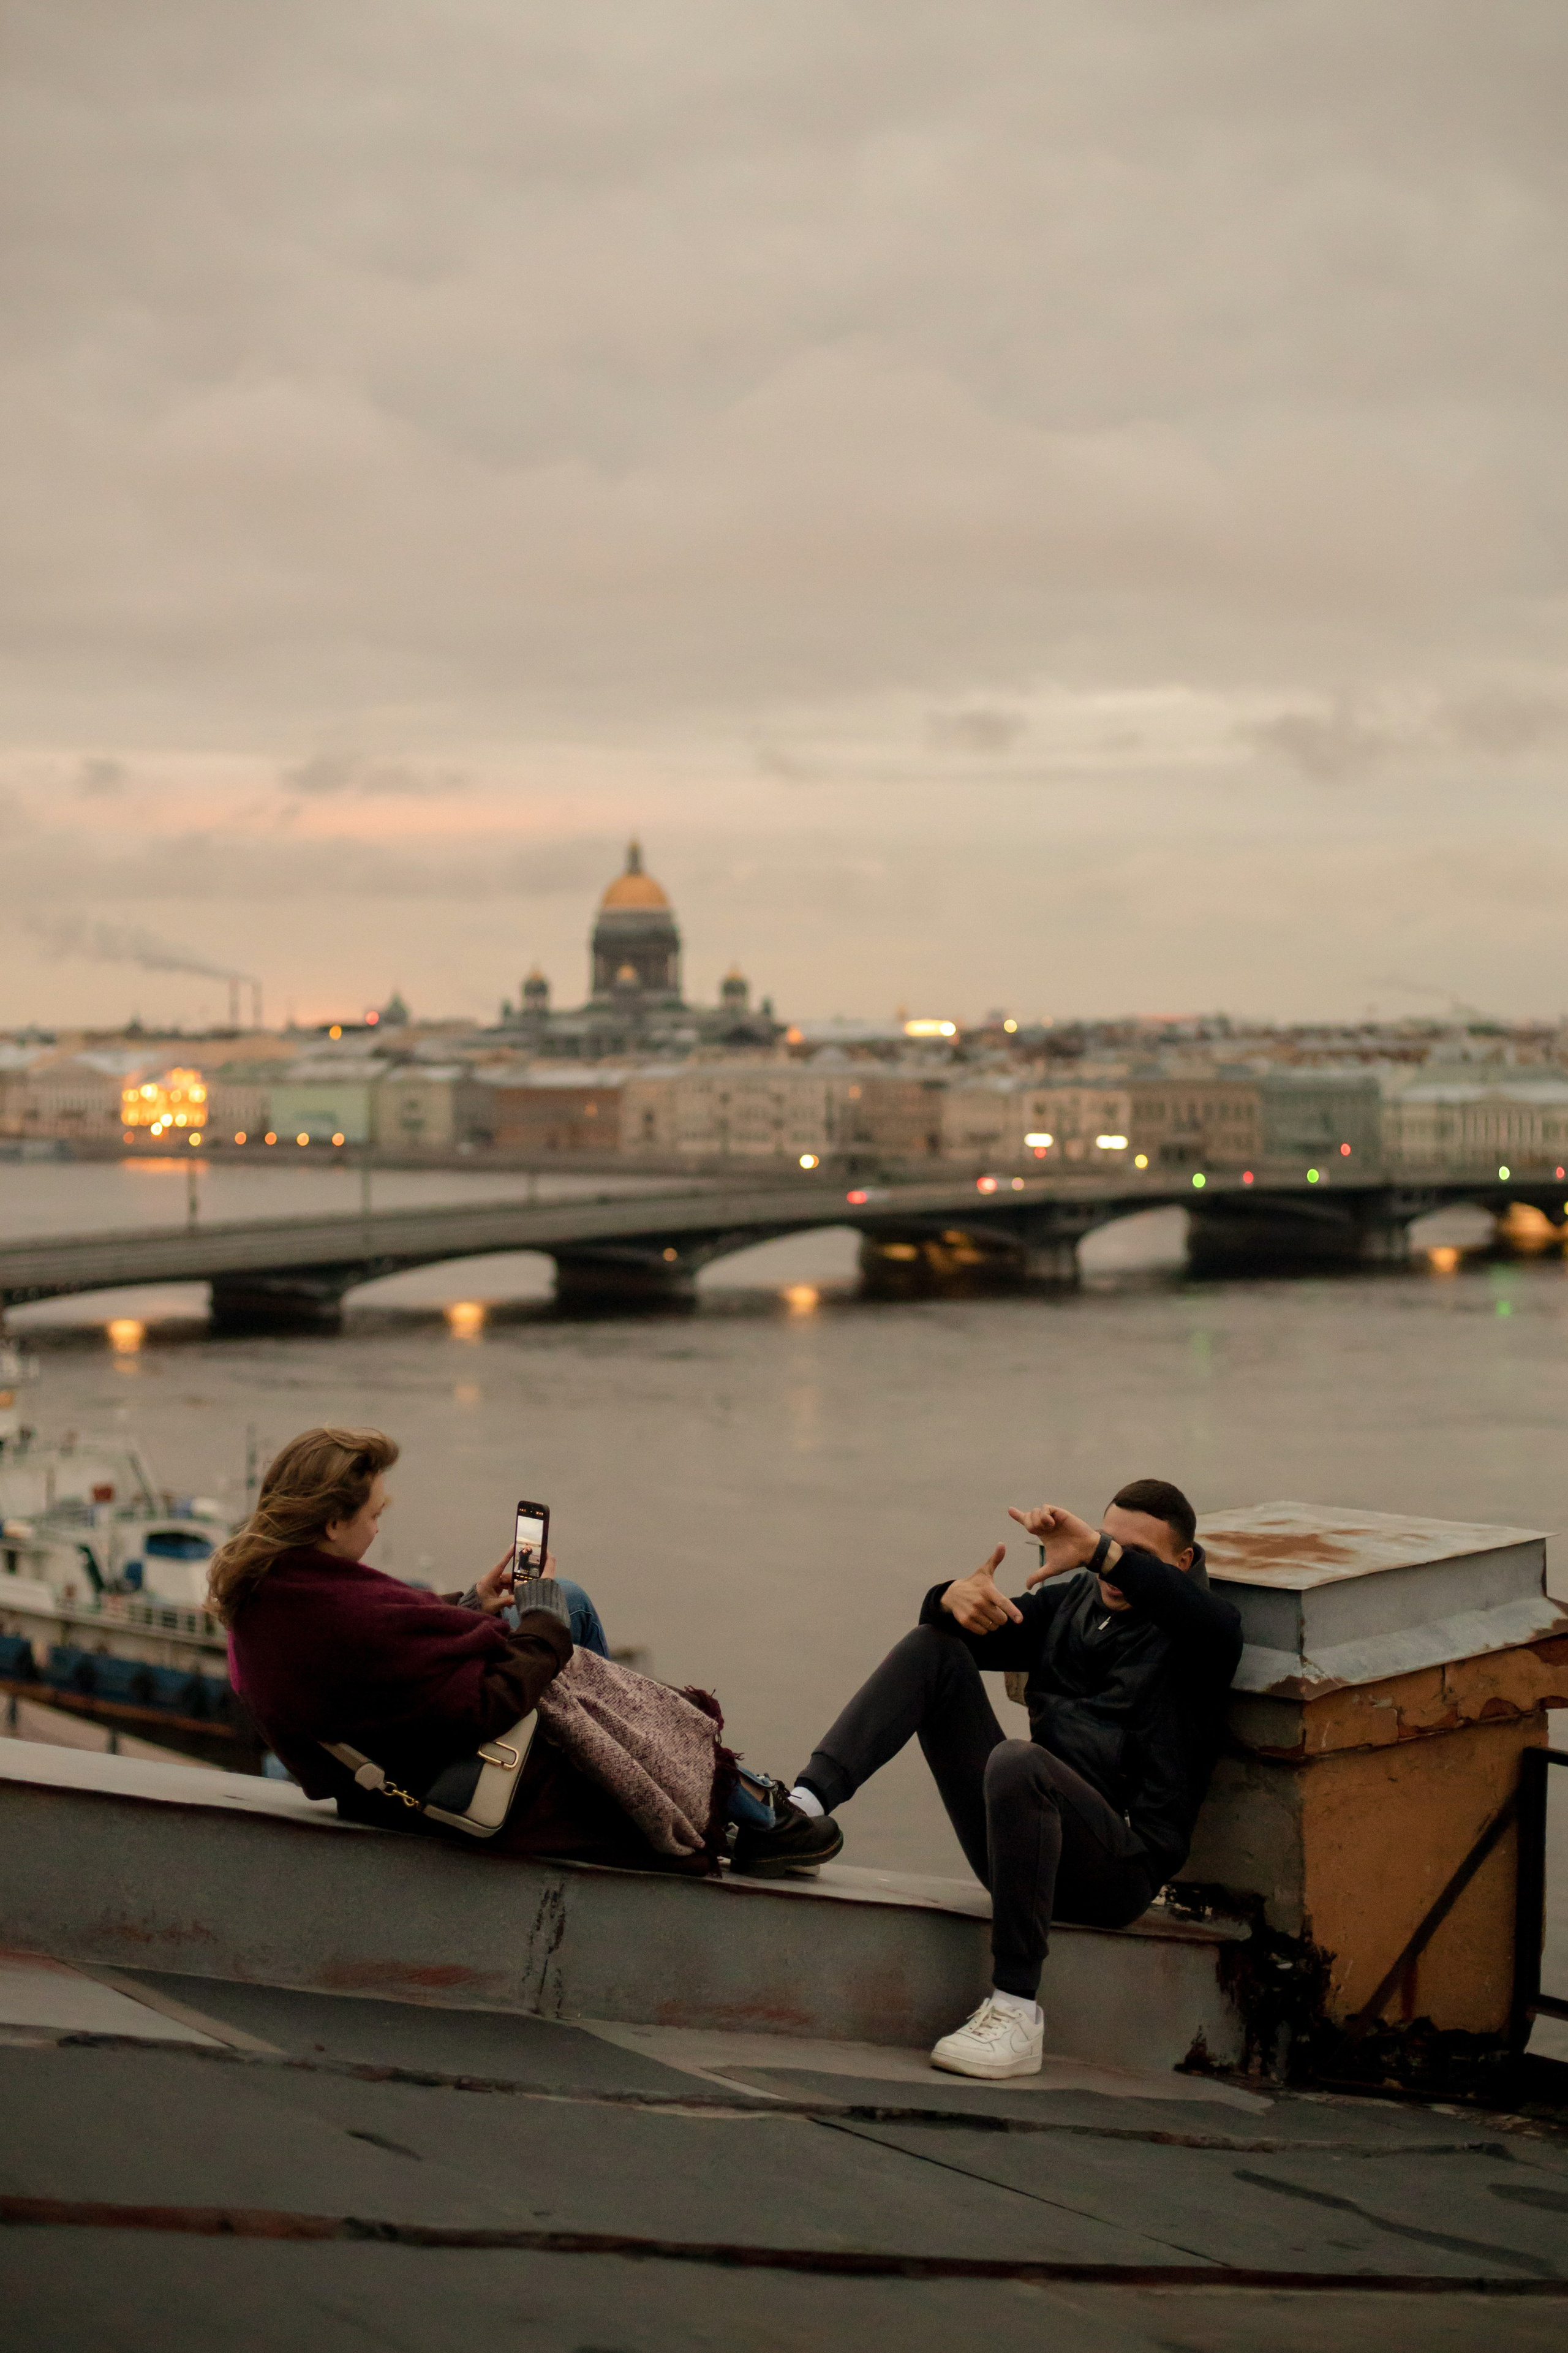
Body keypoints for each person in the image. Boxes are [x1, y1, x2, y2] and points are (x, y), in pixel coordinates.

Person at [214, 1426, 840, 1876]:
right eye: (375, 1513)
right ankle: (744, 1810)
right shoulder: (338, 1618)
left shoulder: (275, 1596)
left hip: (394, 1762)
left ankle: (704, 1785)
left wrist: (474, 1604)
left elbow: (387, 1666)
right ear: (331, 1523)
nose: (380, 1526)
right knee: (564, 1638)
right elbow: (481, 1708)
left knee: (563, 1601)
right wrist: (539, 1622)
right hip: (458, 1788)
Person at [783, 1478, 1242, 2079]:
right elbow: (959, 1639)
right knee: (933, 1649)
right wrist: (950, 1599)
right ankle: (799, 1809)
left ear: (1181, 1563)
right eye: (1108, 1545)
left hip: (1119, 1868)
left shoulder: (1203, 1634)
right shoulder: (1071, 1604)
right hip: (1023, 1849)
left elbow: (1186, 1609)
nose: (1116, 1570)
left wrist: (1103, 1554)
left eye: (1138, 1558)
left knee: (1019, 1761)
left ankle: (1016, 2009)